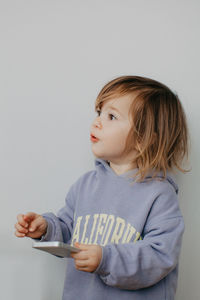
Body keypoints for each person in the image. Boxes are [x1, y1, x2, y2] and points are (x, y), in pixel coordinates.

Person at [15, 75, 190, 300]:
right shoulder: (86, 185)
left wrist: (106, 259)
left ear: (143, 139)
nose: (97, 122)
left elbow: (160, 255)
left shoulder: (159, 195)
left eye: (111, 116)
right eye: (99, 113)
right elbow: (68, 230)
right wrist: (46, 229)